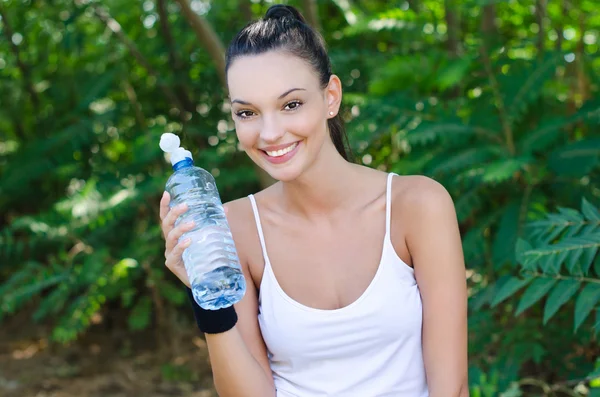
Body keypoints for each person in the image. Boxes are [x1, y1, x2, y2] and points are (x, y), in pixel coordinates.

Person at [159, 4, 468, 397]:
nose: (270, 133)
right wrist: (206, 297)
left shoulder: (418, 206)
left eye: (291, 105)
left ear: (331, 97)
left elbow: (452, 388)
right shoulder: (234, 226)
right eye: (248, 112)